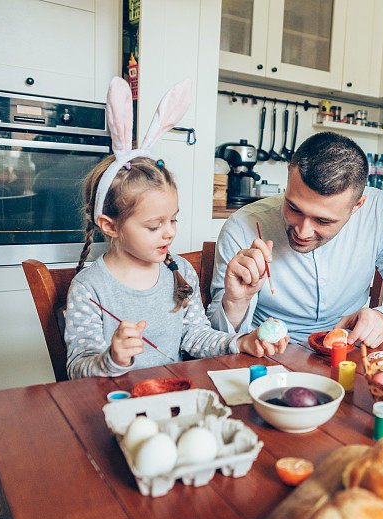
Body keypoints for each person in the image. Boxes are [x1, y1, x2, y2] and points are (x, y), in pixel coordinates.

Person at [65, 78, 288, 379]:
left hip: (175, 395)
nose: (169, 232)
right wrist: (111, 358)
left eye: (173, 220)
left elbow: (196, 337)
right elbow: (78, 369)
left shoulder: (179, 270)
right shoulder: (89, 287)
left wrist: (241, 340)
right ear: (110, 226)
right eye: (154, 226)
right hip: (117, 405)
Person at [207, 132, 383, 347]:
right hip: (267, 356)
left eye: (323, 221)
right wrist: (235, 303)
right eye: (294, 208)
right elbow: (215, 339)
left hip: (348, 351)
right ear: (289, 175)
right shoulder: (242, 226)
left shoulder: (379, 212)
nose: (303, 232)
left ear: (357, 206)